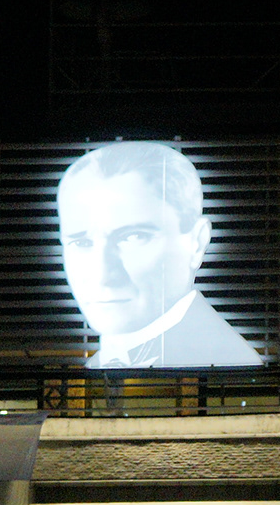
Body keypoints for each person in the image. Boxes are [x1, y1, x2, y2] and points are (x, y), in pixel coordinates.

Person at [56, 143, 267, 371]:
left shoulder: (227, 361)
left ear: (197, 242)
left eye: (133, 237)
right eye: (81, 242)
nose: (102, 274)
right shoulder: (101, 362)